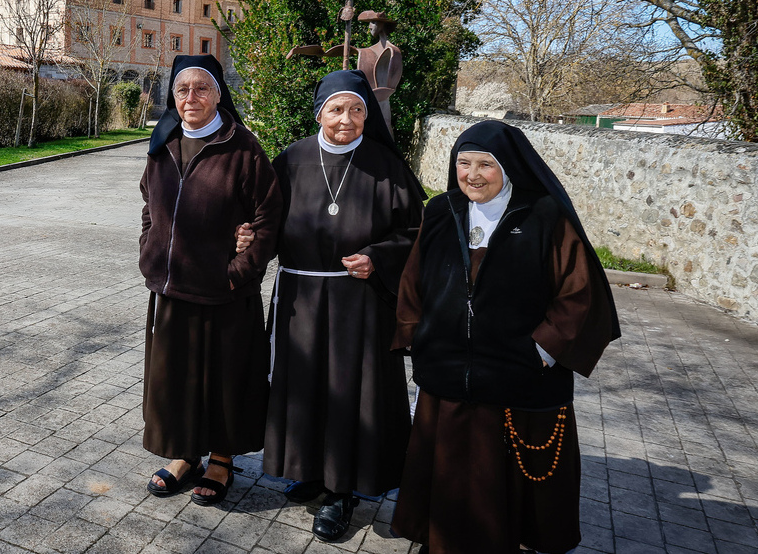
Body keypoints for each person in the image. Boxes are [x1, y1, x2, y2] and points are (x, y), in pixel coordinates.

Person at [390, 120, 620, 554]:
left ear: (509, 167)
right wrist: (417, 335)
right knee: (450, 470)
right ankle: (441, 541)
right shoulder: (441, 212)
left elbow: (578, 293)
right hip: (448, 374)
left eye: (485, 165)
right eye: (463, 163)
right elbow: (413, 280)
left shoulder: (545, 216)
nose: (472, 175)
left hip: (520, 376)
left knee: (503, 477)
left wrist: (541, 352)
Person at [237, 70, 424, 541]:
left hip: (357, 301)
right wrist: (249, 235)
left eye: (358, 109)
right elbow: (266, 219)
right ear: (319, 112)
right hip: (300, 295)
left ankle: (343, 490)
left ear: (368, 115)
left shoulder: (385, 165)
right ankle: (311, 472)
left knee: (349, 391)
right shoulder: (292, 160)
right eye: (337, 109)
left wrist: (378, 258)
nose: (347, 119)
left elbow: (416, 235)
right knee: (304, 387)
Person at [139, 54, 283, 505]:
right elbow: (148, 205)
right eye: (183, 90)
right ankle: (185, 455)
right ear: (172, 97)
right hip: (171, 288)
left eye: (202, 88)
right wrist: (150, 248)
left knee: (225, 379)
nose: (191, 98)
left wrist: (238, 272)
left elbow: (268, 219)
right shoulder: (162, 143)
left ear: (219, 94)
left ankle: (221, 459)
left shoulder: (242, 147)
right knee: (176, 377)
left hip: (224, 293)